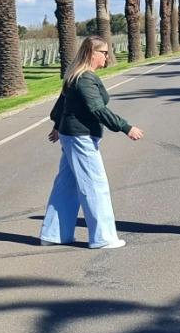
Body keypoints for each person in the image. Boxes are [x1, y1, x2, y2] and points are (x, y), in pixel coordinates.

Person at [40, 35, 144, 249]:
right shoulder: (85, 78)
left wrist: (58, 126)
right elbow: (97, 108)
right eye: (104, 52)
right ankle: (103, 238)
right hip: (80, 138)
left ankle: (53, 234)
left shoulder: (74, 75)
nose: (107, 57)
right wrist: (126, 127)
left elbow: (62, 105)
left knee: (66, 186)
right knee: (95, 186)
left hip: (72, 136)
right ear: (92, 53)